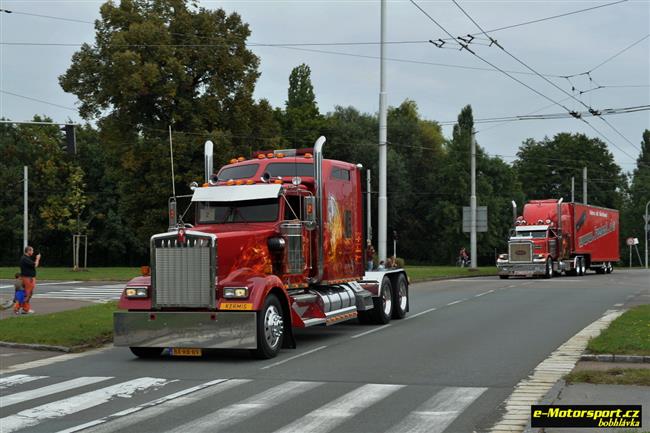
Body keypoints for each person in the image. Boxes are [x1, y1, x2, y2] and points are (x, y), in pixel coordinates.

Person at [20, 246, 40, 314]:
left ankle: (24, 307)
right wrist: (37, 259)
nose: (33, 252)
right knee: (28, 294)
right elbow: (35, 265)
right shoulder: (25, 258)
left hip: (29, 278)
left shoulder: (26, 258)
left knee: (29, 293)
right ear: (28, 251)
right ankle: (25, 309)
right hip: (28, 278)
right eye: (32, 251)